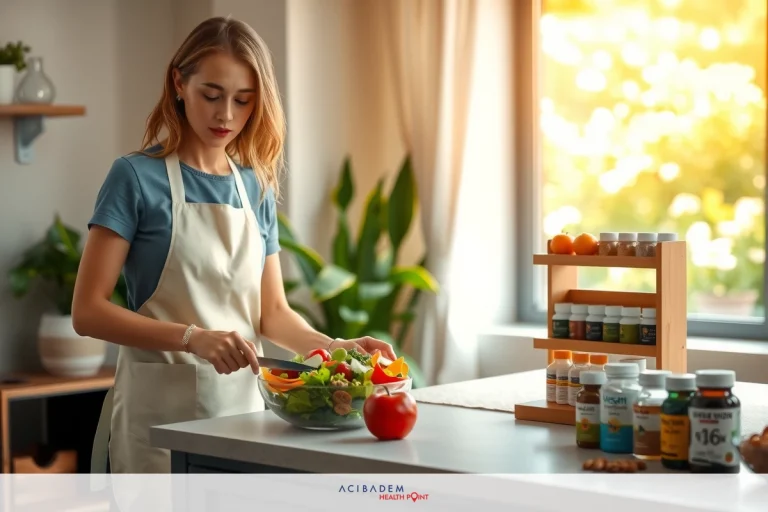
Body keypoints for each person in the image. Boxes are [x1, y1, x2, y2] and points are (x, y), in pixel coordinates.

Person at [72, 16, 396, 474]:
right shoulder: (134, 178)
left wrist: (337, 348)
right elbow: (87, 311)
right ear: (179, 83)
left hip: (241, 419)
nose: (226, 114)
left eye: (243, 100)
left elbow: (273, 314)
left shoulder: (255, 187)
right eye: (212, 95)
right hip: (157, 424)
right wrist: (193, 338)